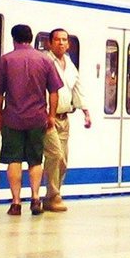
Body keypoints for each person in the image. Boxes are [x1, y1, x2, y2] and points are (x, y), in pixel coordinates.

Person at [0, 23, 61, 216]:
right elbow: (54, 92)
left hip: (12, 118)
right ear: (31, 38)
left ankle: (15, 203)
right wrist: (51, 116)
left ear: (13, 39)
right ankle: (36, 198)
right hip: (37, 118)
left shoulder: (5, 60)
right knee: (35, 160)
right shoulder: (45, 60)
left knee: (13, 160)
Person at [41, 27, 91, 211]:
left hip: (64, 118)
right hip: (49, 118)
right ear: (49, 43)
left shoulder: (69, 63)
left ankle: (53, 194)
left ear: (68, 44)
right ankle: (53, 195)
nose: (61, 43)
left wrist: (85, 111)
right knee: (55, 155)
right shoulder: (45, 61)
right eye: (57, 40)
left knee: (63, 160)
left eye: (64, 40)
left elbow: (76, 87)